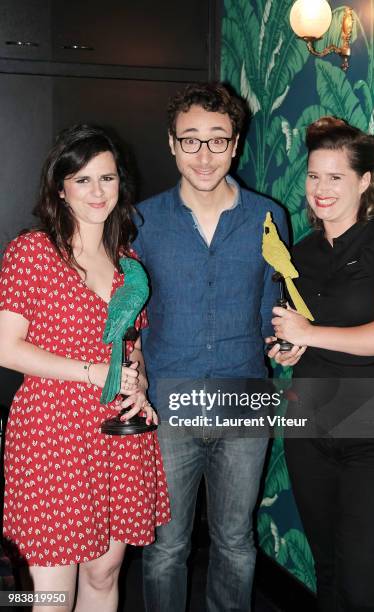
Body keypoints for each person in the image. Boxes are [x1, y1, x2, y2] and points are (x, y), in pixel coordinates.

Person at [0, 124, 170, 612]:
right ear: (60, 188)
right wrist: (91, 373)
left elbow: (131, 346)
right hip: (52, 431)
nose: (98, 192)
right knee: (53, 589)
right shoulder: (33, 252)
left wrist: (137, 380)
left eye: (108, 178)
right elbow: (8, 348)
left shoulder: (127, 263)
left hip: (117, 432)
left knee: (104, 571)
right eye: (83, 180)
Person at [133, 81, 288, 612]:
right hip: (168, 400)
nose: (204, 155)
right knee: (166, 548)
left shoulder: (269, 217)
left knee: (236, 541)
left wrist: (285, 339)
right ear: (172, 144)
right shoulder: (140, 221)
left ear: (236, 144)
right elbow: (126, 310)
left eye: (218, 140)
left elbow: (274, 301)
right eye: (191, 140)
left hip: (244, 398)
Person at [267, 116, 374, 611]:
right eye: (312, 175)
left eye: (335, 177)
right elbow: (304, 337)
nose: (320, 189)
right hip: (311, 426)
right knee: (327, 574)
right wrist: (289, 347)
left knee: (362, 587)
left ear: (365, 181)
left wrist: (311, 333)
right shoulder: (300, 255)